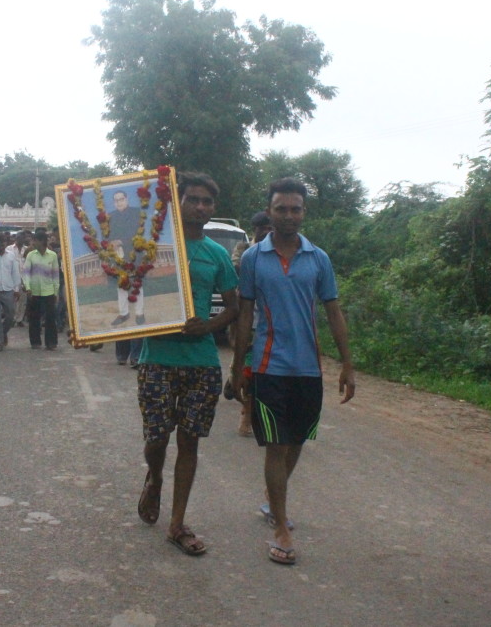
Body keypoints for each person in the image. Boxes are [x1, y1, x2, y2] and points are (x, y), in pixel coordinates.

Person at [231, 177, 355, 566]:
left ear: (304, 212)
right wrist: (238, 366)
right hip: (268, 366)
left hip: (308, 369)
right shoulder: (253, 258)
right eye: (281, 208)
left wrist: (348, 364)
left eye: (295, 208)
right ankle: (280, 526)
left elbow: (333, 311)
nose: (288, 215)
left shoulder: (318, 259)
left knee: (297, 442)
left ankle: (272, 499)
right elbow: (246, 314)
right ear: (269, 211)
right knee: (276, 445)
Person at [135, 172, 238, 556]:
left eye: (207, 202)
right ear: (176, 203)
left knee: (190, 441)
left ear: (213, 208)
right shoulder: (152, 248)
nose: (200, 207)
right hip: (157, 358)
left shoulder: (216, 254)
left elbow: (233, 307)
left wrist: (206, 327)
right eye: (192, 199)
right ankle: (155, 476)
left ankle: (177, 523)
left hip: (201, 363)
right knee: (156, 438)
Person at [232, 210, 272, 437]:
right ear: (254, 229)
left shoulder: (283, 251)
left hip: (273, 322)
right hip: (250, 316)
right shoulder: (245, 250)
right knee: (248, 369)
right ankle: (246, 412)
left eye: (270, 228)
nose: (266, 231)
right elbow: (235, 266)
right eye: (262, 228)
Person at [107, 189, 146, 326]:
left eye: (121, 199)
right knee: (121, 285)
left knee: (137, 283)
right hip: (118, 255)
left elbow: (137, 232)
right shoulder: (110, 216)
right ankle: (124, 313)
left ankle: (139, 313)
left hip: (134, 253)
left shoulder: (136, 213)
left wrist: (121, 241)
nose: (119, 202)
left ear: (127, 199)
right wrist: (111, 243)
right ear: (114, 202)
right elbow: (107, 235)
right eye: (116, 200)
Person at [23, 229, 60, 350]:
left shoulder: (53, 255)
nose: (33, 243)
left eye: (36, 240)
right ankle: (35, 342)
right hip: (33, 291)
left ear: (42, 241)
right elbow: (26, 273)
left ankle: (51, 343)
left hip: (49, 291)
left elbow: (55, 275)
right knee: (34, 317)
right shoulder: (30, 255)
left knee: (50, 318)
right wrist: (27, 287)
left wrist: (56, 292)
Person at [12, 230, 32, 327]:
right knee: (13, 300)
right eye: (19, 238)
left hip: (24, 278)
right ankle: (12, 318)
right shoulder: (9, 249)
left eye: (22, 238)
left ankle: (19, 319)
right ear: (16, 238)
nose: (20, 240)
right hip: (12, 278)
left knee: (23, 300)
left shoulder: (27, 250)